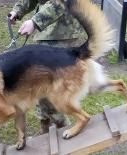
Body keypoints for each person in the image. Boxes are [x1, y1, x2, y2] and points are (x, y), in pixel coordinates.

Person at [8, 0, 87, 134]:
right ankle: (46, 129)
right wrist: (18, 10)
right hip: (45, 33)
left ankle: (62, 128)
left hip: (62, 33)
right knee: (40, 85)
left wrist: (35, 21)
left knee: (51, 88)